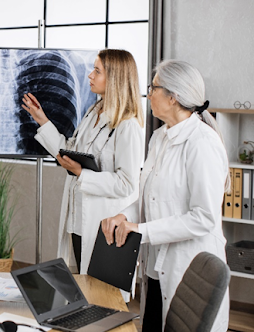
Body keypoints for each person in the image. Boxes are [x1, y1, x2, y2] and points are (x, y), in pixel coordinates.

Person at [101, 60, 230, 331]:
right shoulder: (159, 137)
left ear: (173, 97)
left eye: (154, 88)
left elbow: (203, 217)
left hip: (186, 266)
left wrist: (141, 230)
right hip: (156, 266)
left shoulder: (202, 143)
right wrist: (125, 215)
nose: (149, 93)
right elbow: (152, 197)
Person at [22, 49, 144, 283]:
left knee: (101, 295)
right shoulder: (93, 113)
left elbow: (127, 183)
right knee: (80, 287)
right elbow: (71, 148)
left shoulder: (127, 126)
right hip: (77, 221)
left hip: (103, 224)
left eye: (97, 71)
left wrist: (81, 172)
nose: (90, 75)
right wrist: (42, 119)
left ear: (115, 78)